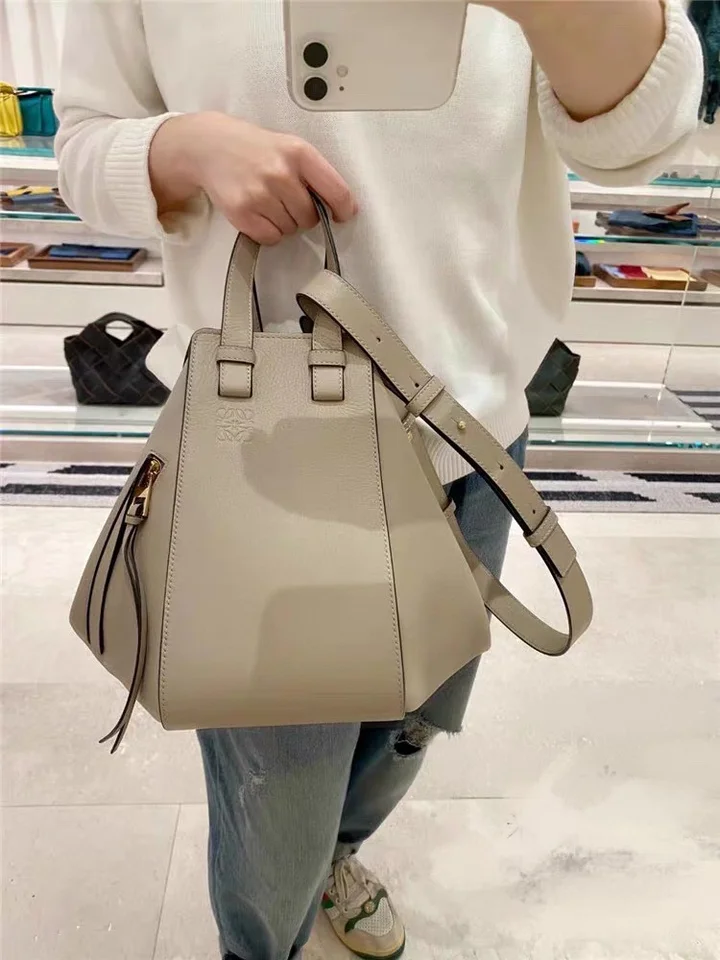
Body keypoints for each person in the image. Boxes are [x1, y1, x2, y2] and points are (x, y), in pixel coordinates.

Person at [55, 2, 702, 958]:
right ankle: (265, 936)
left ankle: (341, 855)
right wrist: (187, 147)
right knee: (278, 799)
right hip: (266, 450)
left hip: (472, 428)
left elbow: (646, 136)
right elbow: (81, 149)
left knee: (414, 722)